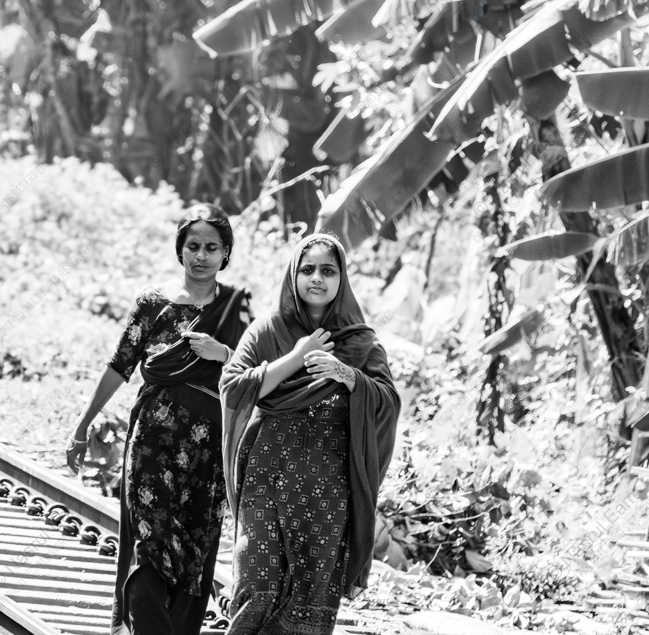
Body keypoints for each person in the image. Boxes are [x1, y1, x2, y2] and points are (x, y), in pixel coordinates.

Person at [65, 203, 252, 635]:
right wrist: (82, 425)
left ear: (226, 253)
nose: (201, 256)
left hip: (209, 451)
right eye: (193, 246)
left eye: (211, 247)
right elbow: (119, 366)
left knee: (196, 544)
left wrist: (222, 354)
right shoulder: (153, 305)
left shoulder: (236, 309)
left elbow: (257, 373)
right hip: (152, 440)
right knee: (150, 537)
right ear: (180, 250)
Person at [220, 233, 401, 635]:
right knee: (256, 581)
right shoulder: (267, 330)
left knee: (312, 592)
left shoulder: (361, 343)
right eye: (307, 269)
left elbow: (388, 403)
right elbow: (234, 389)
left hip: (329, 487)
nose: (316, 278)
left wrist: (349, 376)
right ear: (293, 275)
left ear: (342, 279)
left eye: (328, 270)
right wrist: (295, 357)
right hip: (267, 475)